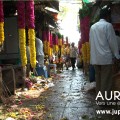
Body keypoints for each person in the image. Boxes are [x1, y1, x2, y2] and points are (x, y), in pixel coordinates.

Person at [89, 7, 120, 102]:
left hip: (95, 59)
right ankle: (104, 101)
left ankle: (100, 99)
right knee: (106, 81)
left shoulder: (93, 27)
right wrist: (117, 55)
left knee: (99, 80)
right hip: (105, 59)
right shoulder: (108, 26)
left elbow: (90, 42)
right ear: (107, 16)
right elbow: (112, 42)